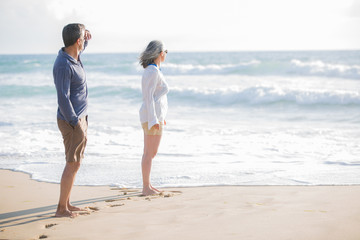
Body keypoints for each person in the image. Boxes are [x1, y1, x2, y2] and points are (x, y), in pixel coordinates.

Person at [53, 23, 92, 217]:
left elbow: (80, 48)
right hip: (72, 121)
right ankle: (61, 208)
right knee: (72, 163)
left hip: (79, 118)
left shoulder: (74, 57)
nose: (85, 41)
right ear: (78, 41)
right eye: (83, 39)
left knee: (75, 163)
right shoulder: (63, 64)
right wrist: (75, 122)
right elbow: (63, 97)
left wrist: (87, 39)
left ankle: (67, 203)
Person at [139, 40, 169, 196]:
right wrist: (153, 120)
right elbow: (149, 98)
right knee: (150, 153)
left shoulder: (155, 70)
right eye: (165, 51)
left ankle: (147, 185)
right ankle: (146, 187)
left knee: (149, 152)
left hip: (154, 116)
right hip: (151, 117)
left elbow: (157, 97)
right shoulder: (152, 71)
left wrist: (160, 117)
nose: (166, 54)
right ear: (159, 53)